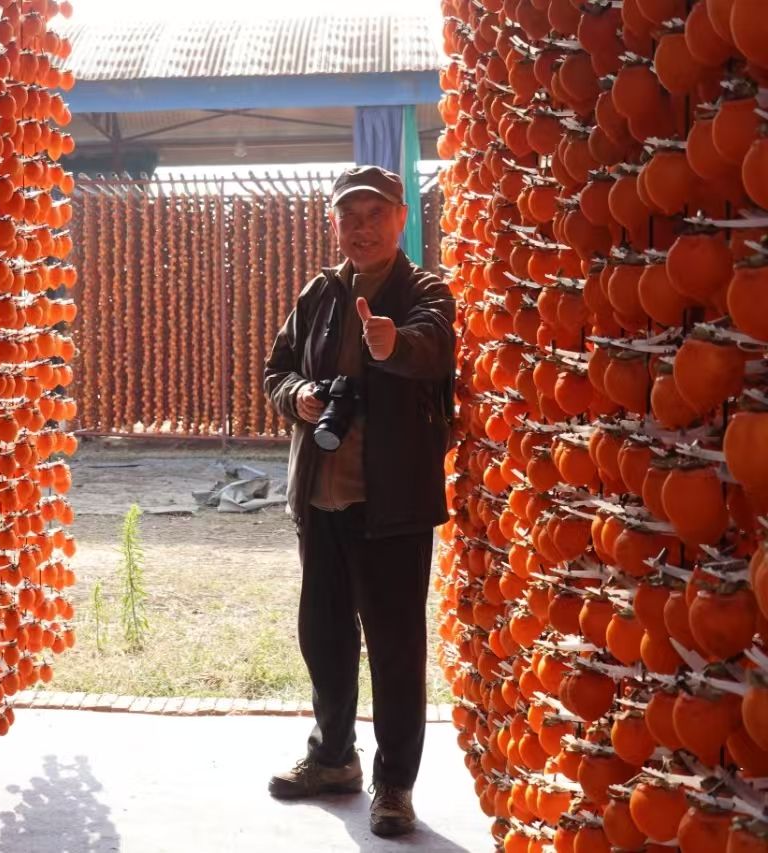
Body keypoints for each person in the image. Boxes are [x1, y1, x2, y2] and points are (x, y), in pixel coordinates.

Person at [262, 165, 456, 838]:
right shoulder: (320, 293)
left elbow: (434, 349)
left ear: (401, 218)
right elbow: (277, 369)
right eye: (349, 216)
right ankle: (333, 758)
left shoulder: (424, 291)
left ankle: (395, 784)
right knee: (324, 637)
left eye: (375, 215)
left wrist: (393, 343)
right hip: (321, 499)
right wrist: (299, 396)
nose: (361, 228)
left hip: (392, 505)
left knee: (396, 650)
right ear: (334, 222)